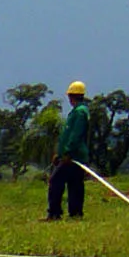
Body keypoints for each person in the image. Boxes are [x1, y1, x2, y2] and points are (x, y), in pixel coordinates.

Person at [46, 80, 92, 220]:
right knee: (75, 184)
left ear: (72, 96)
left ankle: (54, 213)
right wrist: (59, 154)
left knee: (56, 181)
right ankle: (75, 213)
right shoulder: (79, 111)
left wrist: (67, 153)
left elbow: (75, 135)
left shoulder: (79, 113)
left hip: (73, 156)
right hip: (74, 155)